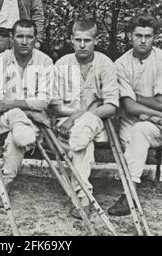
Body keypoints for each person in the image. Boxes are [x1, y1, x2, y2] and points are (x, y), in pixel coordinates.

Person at [108, 14, 162, 216]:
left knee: (140, 131)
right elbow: (129, 107)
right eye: (138, 35)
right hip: (135, 120)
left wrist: (137, 99)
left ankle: (128, 195)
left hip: (161, 124)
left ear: (154, 37)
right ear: (130, 36)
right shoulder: (121, 64)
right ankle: (131, 189)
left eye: (148, 36)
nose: (143, 40)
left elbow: (161, 103)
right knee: (133, 138)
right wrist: (158, 113)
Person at [50, 19, 119, 219]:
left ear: (95, 40)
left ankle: (81, 197)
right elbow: (54, 105)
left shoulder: (105, 64)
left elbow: (111, 106)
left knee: (82, 130)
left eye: (87, 40)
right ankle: (85, 196)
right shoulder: (62, 64)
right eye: (78, 40)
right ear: (71, 39)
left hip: (95, 121)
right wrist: (73, 116)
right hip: (65, 121)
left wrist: (79, 115)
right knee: (82, 142)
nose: (82, 45)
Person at [0, 19, 53, 208]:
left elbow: (44, 100)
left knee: (15, 139)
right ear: (11, 38)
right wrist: (29, 110)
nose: (24, 41)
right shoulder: (0, 60)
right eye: (20, 36)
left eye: (29, 37)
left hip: (30, 125)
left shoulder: (45, 61)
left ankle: (4, 186)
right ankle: (23, 132)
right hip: (4, 121)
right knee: (16, 116)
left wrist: (11, 103)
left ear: (35, 39)